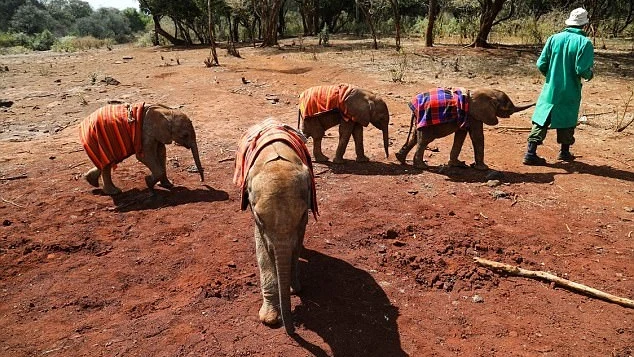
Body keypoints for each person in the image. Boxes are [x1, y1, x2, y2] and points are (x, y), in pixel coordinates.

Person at [523, 8, 595, 165]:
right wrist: (590, 75)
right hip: (570, 90)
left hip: (551, 88)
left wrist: (551, 76)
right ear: (584, 25)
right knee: (568, 118)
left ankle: (530, 152)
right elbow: (582, 69)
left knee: (542, 117)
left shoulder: (554, 38)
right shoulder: (585, 43)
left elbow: (541, 63)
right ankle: (564, 152)